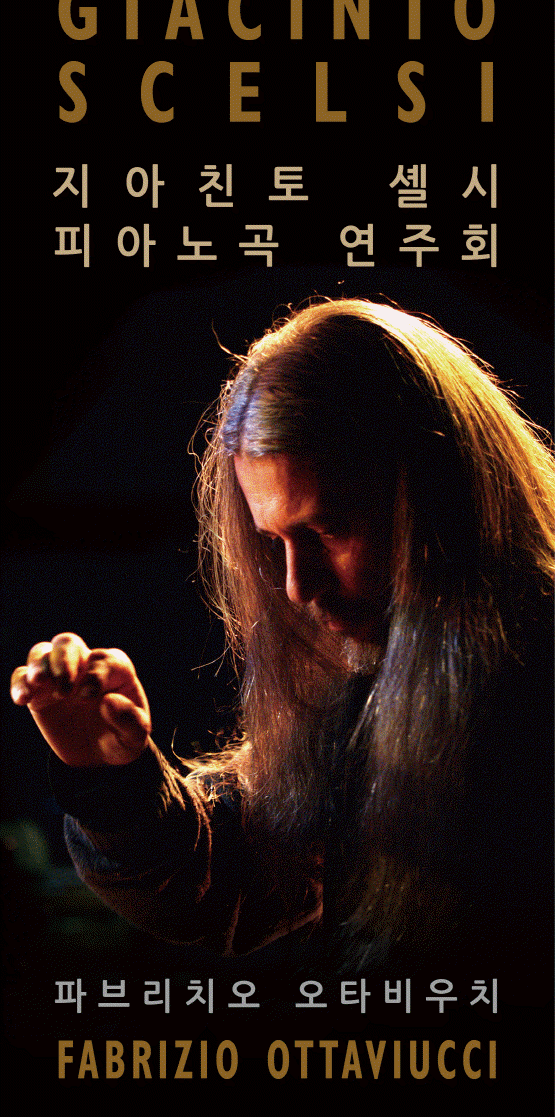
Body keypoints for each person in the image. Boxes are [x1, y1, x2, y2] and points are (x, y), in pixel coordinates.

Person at [10, 300, 554, 977]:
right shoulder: (360, 683)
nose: (296, 585)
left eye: (329, 530)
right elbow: (234, 885)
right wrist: (112, 779)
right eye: (275, 542)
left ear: (444, 498)